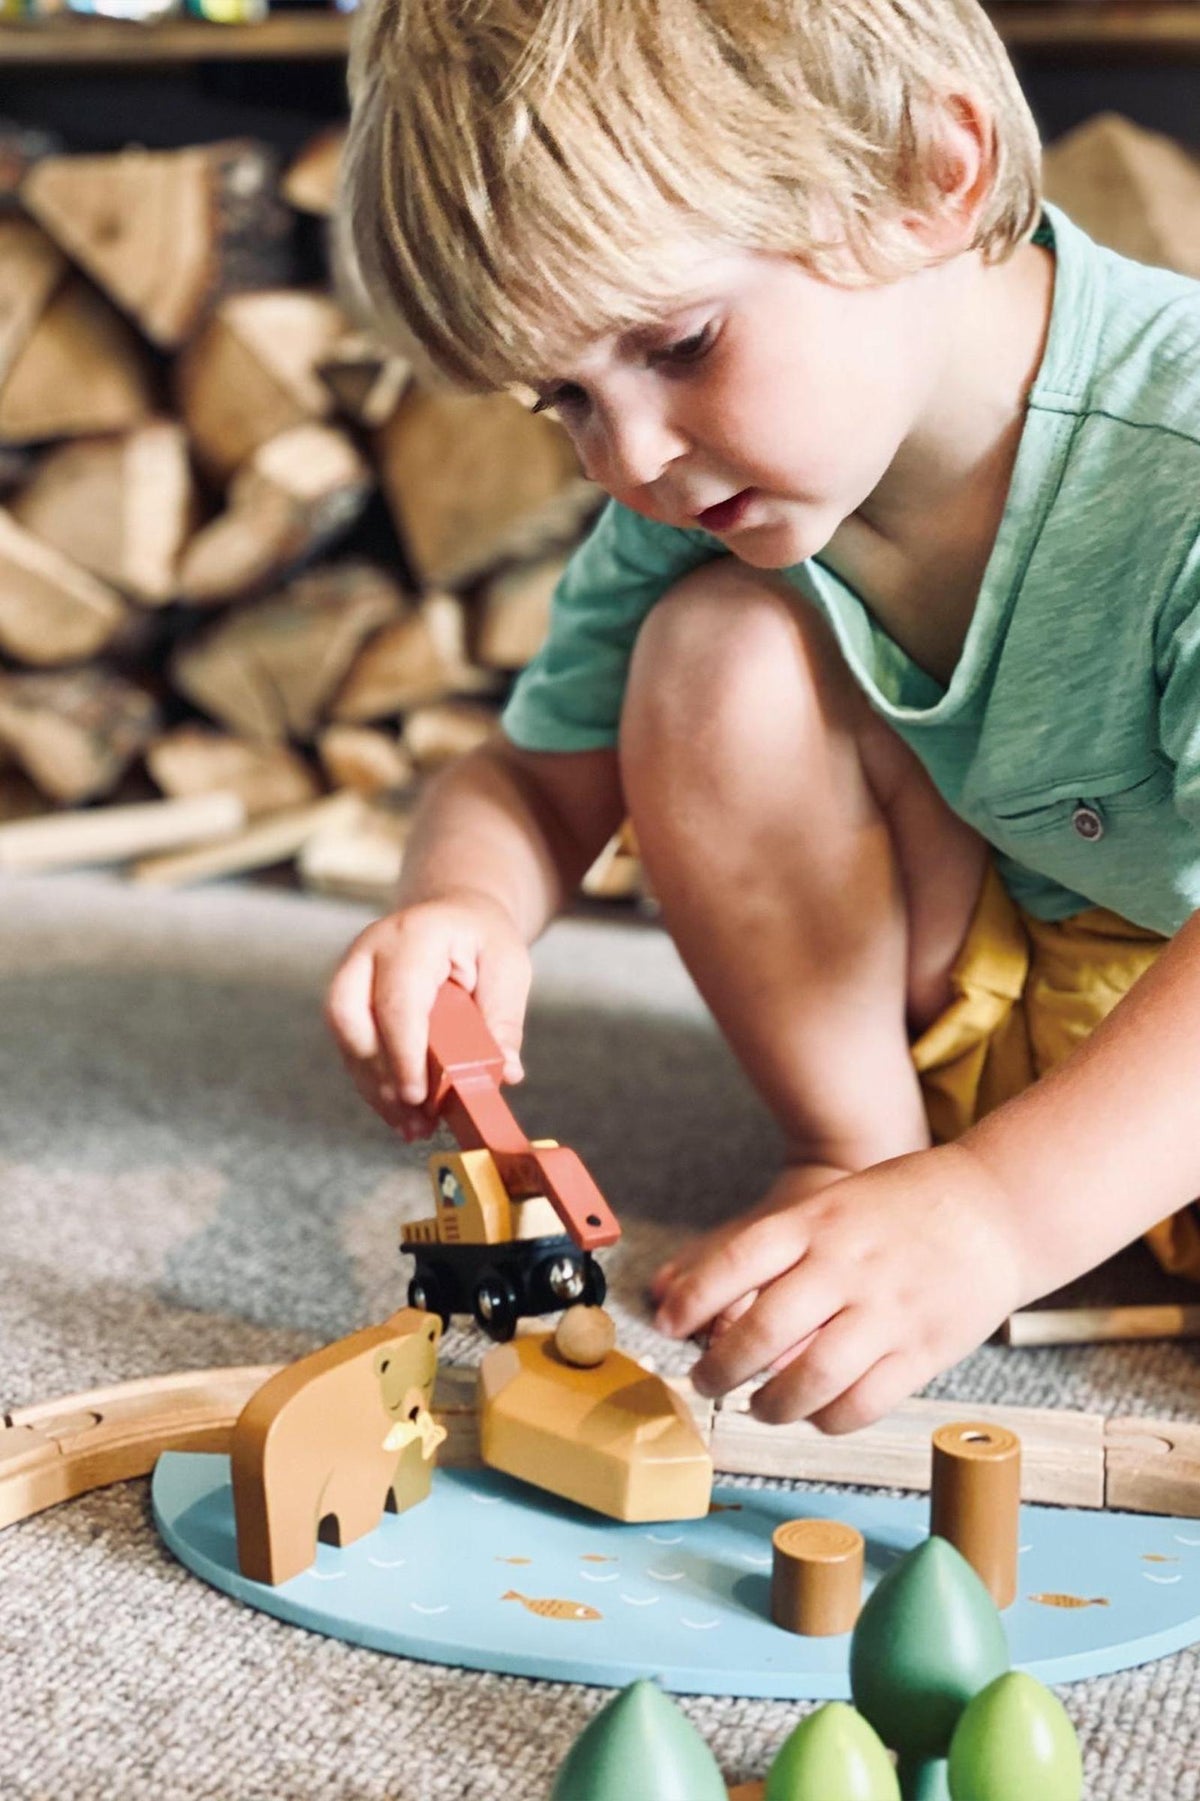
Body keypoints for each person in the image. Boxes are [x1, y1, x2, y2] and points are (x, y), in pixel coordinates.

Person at [326, 0, 1200, 1432]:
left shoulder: (1180, 463)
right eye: (566, 401)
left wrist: (994, 1217)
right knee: (715, 648)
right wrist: (460, 907)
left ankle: (977, 1212)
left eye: (677, 344)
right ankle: (859, 1162)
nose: (636, 459)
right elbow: (536, 785)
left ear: (932, 172)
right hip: (1025, 1005)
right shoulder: (708, 505)